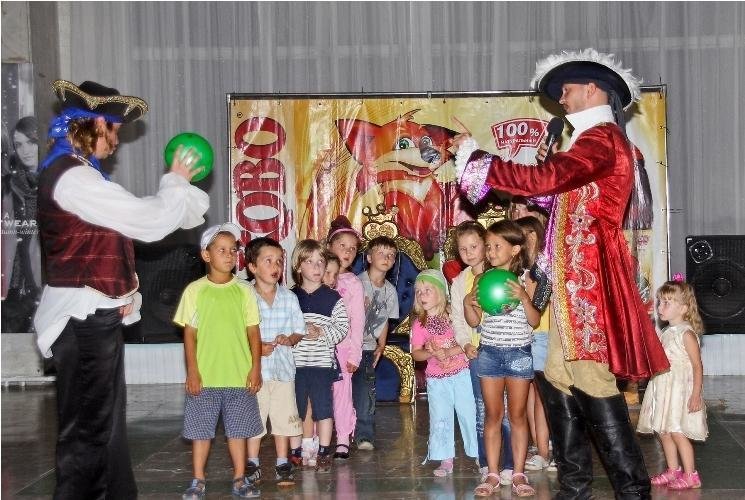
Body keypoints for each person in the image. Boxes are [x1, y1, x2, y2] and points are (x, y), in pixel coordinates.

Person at [454, 49, 669, 498]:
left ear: (592, 89)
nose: (562, 100)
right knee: (557, 377)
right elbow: (560, 196)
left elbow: (547, 181)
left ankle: (634, 491)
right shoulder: (593, 144)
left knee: (591, 378)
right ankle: (574, 488)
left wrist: (480, 160)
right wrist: (542, 179)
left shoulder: (601, 139)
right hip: (572, 285)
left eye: (567, 91)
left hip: (588, 283)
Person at [33, 79, 209, 499]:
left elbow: (119, 235)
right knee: (88, 431)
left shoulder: (81, 174)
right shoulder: (73, 178)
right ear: (96, 124)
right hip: (81, 319)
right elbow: (147, 221)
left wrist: (125, 294)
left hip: (94, 317)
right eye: (113, 130)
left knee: (106, 428)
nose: (116, 142)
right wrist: (175, 181)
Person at [174, 223, 263, 499]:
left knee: (238, 431)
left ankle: (239, 478)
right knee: (201, 432)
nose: (229, 255)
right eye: (221, 250)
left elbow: (253, 332)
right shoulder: (195, 291)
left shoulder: (245, 290)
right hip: (206, 378)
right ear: (206, 255)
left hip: (239, 376)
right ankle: (198, 480)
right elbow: (190, 334)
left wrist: (255, 367)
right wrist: (193, 371)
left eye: (233, 250)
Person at [464, 220, 540, 497]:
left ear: (515, 249)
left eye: (497, 246)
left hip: (519, 354)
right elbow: (475, 321)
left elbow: (534, 321)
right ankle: (493, 473)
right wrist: (467, 303)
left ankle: (518, 473)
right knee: (493, 415)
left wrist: (524, 297)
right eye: (488, 246)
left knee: (517, 415)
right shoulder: (482, 279)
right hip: (490, 354)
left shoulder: (526, 279)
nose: (491, 252)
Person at [449, 220, 514, 485]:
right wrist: (466, 344)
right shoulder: (459, 282)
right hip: (477, 354)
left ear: (484, 245)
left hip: (503, 348)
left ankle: (510, 462)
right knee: (481, 408)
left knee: (505, 409)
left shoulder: (500, 273)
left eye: (474, 246)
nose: (469, 253)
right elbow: (457, 318)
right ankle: (486, 460)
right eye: (463, 249)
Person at [244, 237, 307, 486]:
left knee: (283, 418)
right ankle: (252, 463)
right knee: (254, 418)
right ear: (252, 267)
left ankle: (283, 462)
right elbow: (237, 333)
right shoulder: (244, 297)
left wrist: (289, 339)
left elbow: (299, 329)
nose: (275, 266)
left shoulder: (289, 298)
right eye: (268, 261)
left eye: (279, 261)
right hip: (255, 373)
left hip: (283, 371)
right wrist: (257, 348)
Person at [637, 280, 707, 490]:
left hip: (679, 391)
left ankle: (691, 475)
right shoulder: (668, 331)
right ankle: (673, 470)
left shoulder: (686, 334)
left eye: (667, 303)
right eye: (660, 302)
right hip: (663, 388)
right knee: (663, 431)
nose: (661, 307)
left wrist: (695, 395)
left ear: (684, 308)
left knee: (677, 432)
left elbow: (697, 366)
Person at [411, 269, 477, 476]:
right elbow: (416, 353)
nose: (422, 295)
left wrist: (449, 351)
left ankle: (479, 455)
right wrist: (430, 353)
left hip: (461, 373)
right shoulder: (419, 323)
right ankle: (445, 458)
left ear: (440, 292)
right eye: (418, 291)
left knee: (469, 414)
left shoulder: (452, 315)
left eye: (427, 290)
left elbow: (467, 340)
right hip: (437, 380)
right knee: (440, 417)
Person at [290, 239, 349, 473]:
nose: (316, 267)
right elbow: (282, 325)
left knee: (323, 408)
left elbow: (342, 328)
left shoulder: (333, 298)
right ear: (298, 266)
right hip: (295, 365)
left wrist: (321, 332)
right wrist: (294, 333)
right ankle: (303, 448)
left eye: (320, 262)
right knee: (299, 408)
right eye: (309, 262)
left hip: (322, 364)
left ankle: (324, 450)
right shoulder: (290, 297)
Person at [513, 215, 554, 472]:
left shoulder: (545, 267)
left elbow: (538, 305)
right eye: (521, 235)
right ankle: (538, 446)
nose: (526, 239)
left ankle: (545, 451)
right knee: (526, 394)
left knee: (542, 396)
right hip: (521, 336)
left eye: (531, 233)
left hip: (542, 334)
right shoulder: (518, 269)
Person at [325, 215, 365, 460]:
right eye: (342, 246)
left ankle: (342, 437)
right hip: (317, 350)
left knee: (342, 394)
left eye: (353, 248)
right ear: (329, 247)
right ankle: (317, 437)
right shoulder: (317, 277)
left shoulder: (353, 284)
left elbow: (358, 321)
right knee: (318, 394)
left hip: (343, 349)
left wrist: (355, 354)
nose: (348, 252)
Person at [355, 234, 400, 450]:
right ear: (369, 257)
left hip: (368, 347)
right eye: (381, 253)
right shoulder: (356, 283)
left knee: (366, 393)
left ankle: (365, 436)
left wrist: (381, 345)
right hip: (349, 345)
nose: (386, 258)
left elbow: (384, 321)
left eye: (391, 255)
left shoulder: (390, 290)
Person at [2, 116, 42, 333]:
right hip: (16, 285)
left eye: (31, 142)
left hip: (51, 280)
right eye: (19, 145)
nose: (25, 150)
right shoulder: (8, 186)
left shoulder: (57, 181)